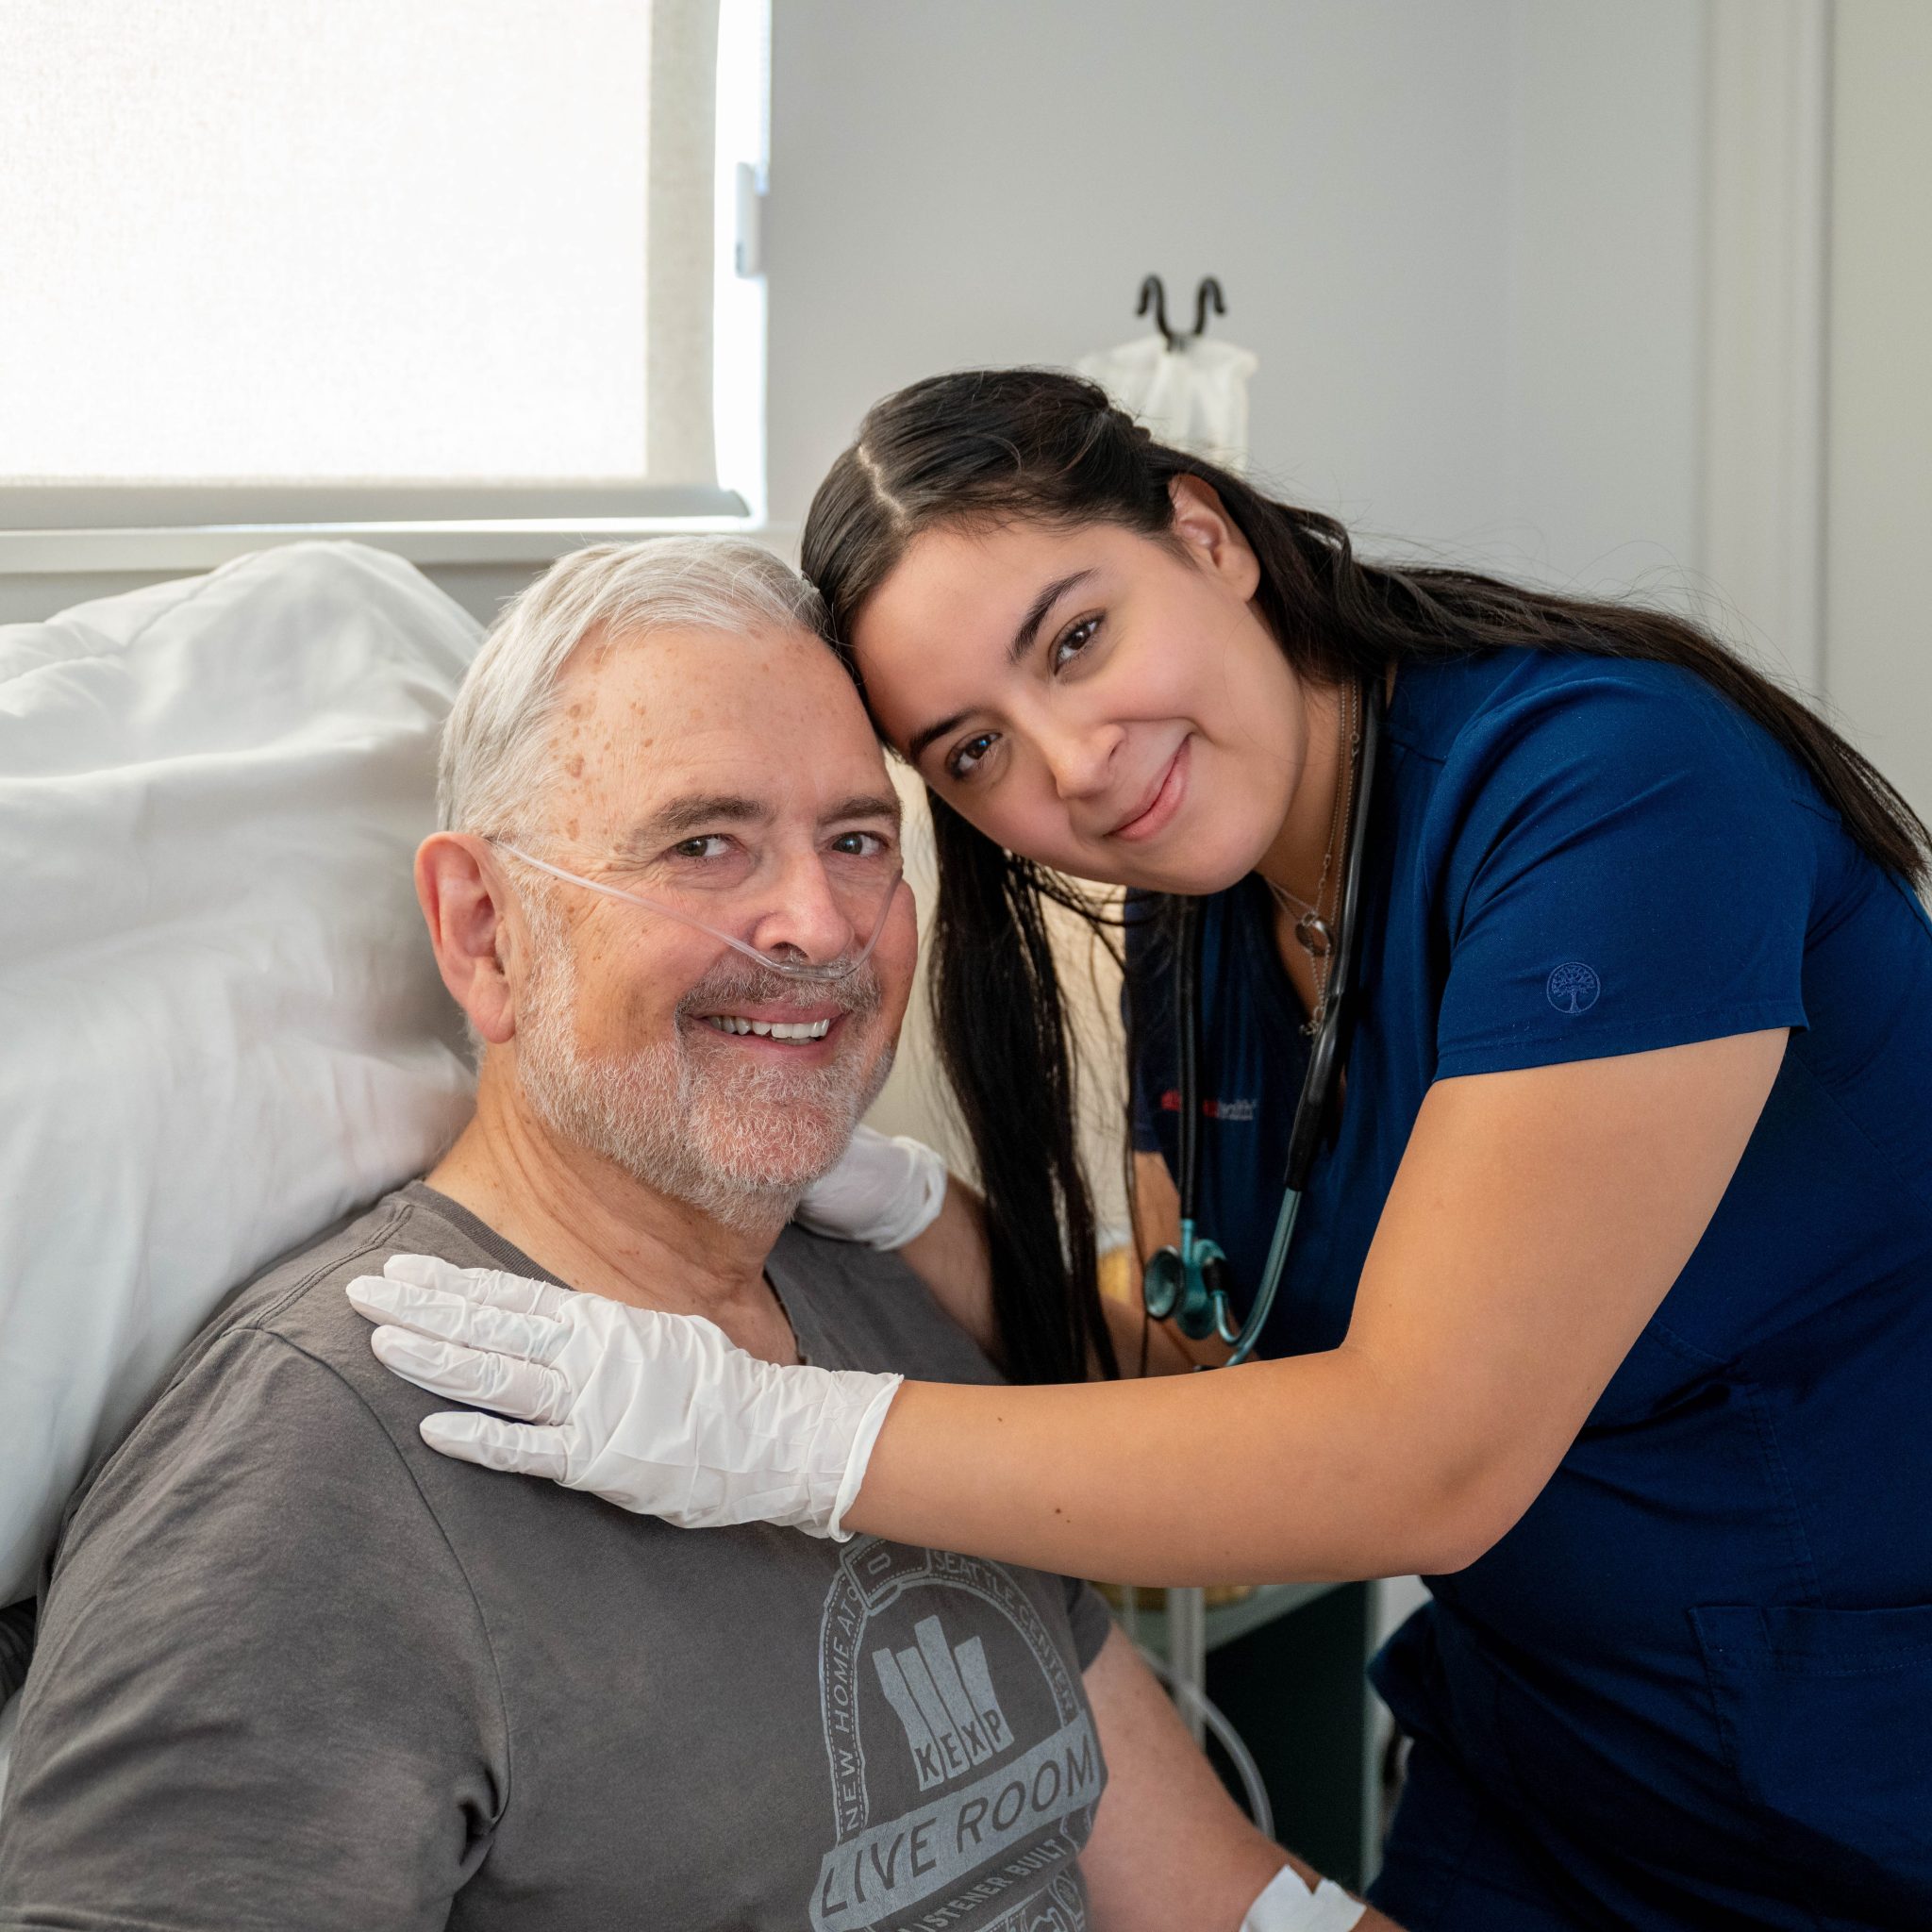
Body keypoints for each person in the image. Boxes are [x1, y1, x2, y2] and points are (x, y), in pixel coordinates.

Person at [354, 377, 1932, 1932]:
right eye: (972, 752)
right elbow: (1193, 1353)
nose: (1075, 765)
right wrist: (912, 1217)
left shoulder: (1615, 794)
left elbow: (1426, 1454)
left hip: (1864, 1770)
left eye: (1077, 638)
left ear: (1206, 532)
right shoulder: (1206, 913)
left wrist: (770, 1436)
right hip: (1548, 1767)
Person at [0, 538, 1384, 1932]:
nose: (818, 921)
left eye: (856, 840)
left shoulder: (884, 1303)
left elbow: (1229, 1899)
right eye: (704, 843)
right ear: (485, 933)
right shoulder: (318, 1486)